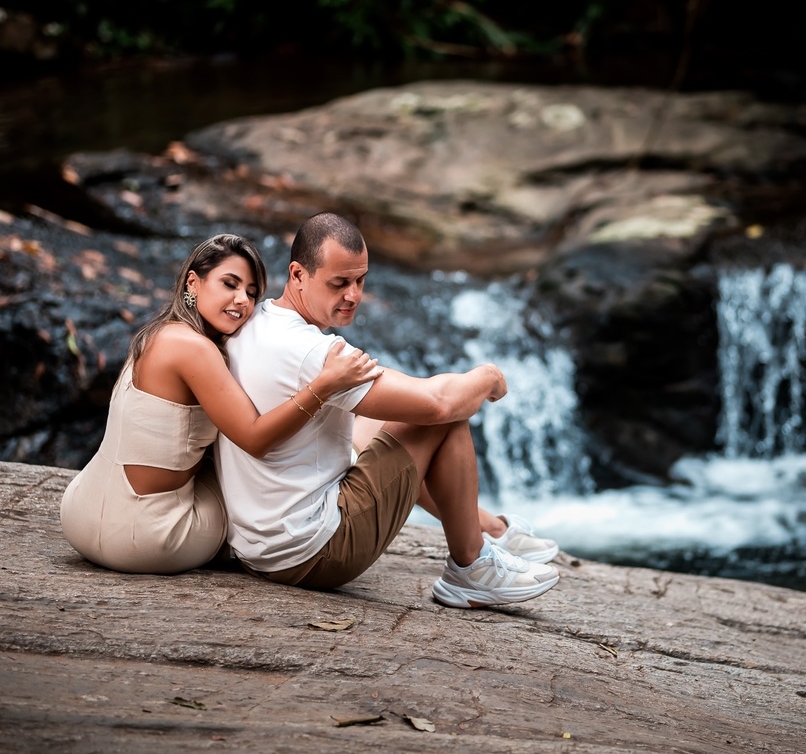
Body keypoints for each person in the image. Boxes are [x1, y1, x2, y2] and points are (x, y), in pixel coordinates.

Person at [215, 212, 560, 608]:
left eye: (360, 280)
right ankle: (471, 567)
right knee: (441, 419)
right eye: (339, 283)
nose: (353, 295)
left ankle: (492, 529)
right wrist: (488, 376)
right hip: (313, 554)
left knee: (381, 419)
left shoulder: (253, 319)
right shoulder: (313, 352)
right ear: (297, 275)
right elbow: (439, 403)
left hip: (259, 543)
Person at [60, 233, 381, 575]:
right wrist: (324, 385)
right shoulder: (195, 350)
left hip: (82, 509)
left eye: (252, 293)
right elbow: (255, 439)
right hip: (146, 534)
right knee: (267, 492)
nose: (242, 300)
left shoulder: (157, 334)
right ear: (193, 283)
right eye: (230, 284)